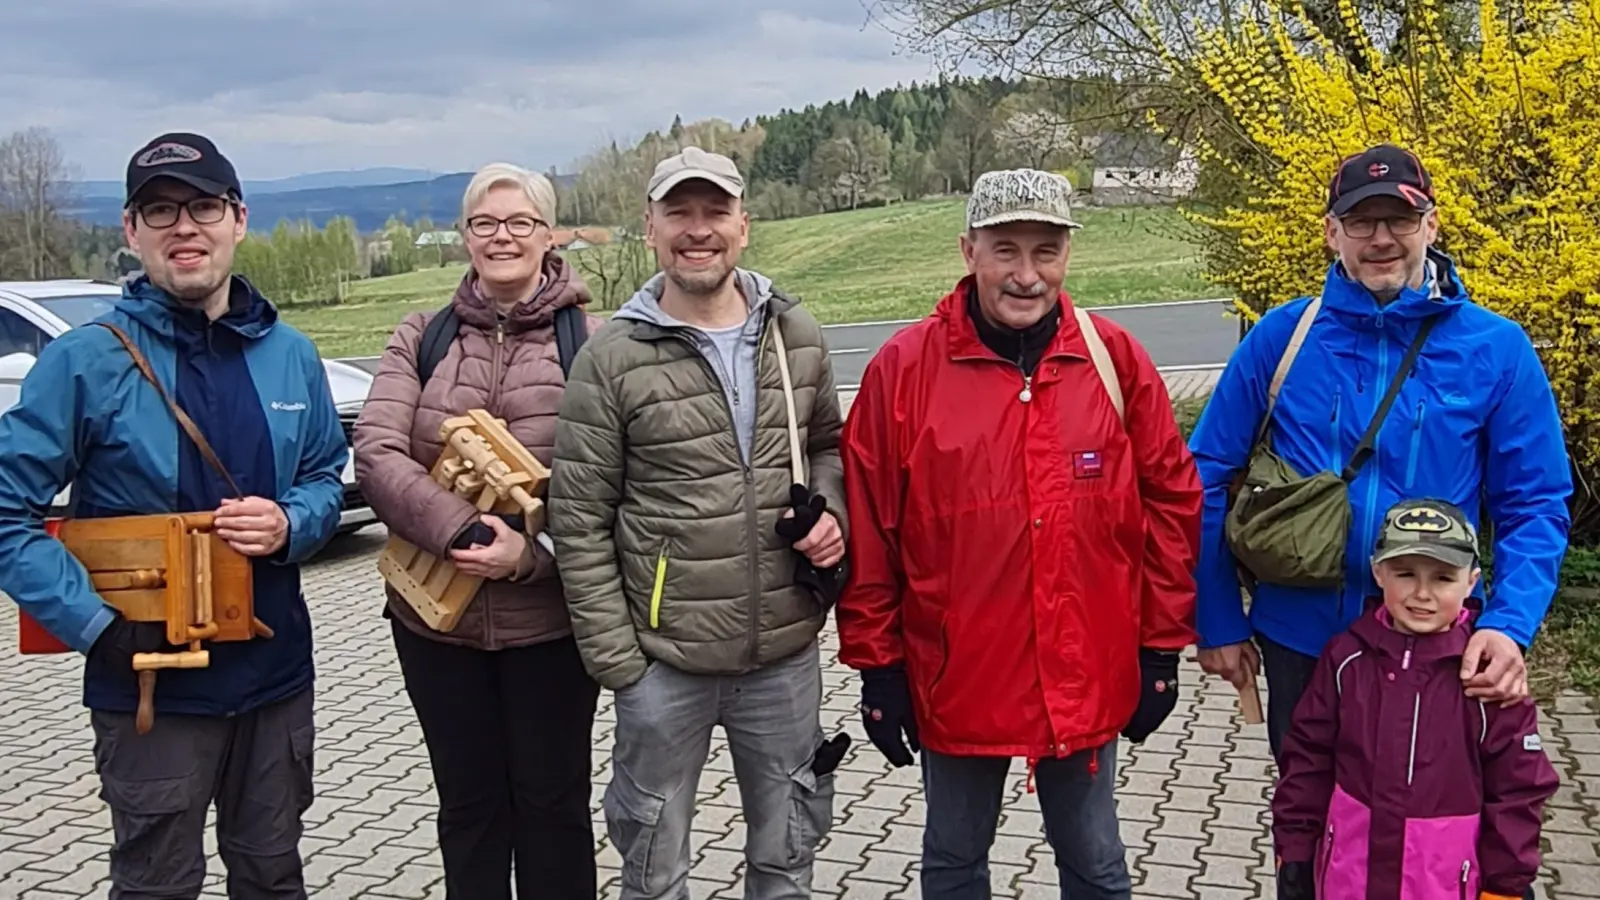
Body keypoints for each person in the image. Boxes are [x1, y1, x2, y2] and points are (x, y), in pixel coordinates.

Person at [835, 167, 1204, 900]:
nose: (1027, 275)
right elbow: (872, 532)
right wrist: (878, 667)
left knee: (1096, 864)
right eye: (1007, 250)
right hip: (957, 681)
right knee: (953, 860)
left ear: (1068, 253)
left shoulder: (1114, 360)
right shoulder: (903, 373)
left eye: (1046, 251)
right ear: (968, 249)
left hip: (1085, 675)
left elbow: (1171, 503)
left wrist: (1161, 647)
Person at [0, 132, 347, 896]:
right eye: (159, 210)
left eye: (202, 206)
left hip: (275, 676)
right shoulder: (87, 360)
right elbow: (5, 512)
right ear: (131, 231)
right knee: (157, 883)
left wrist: (293, 523)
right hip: (151, 690)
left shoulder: (290, 353)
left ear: (238, 218)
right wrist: (94, 625)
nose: (183, 227)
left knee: (273, 875)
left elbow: (326, 474)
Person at [1188, 143, 1573, 760]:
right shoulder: (1284, 338)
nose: (1381, 239)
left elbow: (1535, 504)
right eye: (1362, 222)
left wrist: (1508, 624)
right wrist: (1219, 619)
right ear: (1332, 233)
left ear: (1432, 224)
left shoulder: (1497, 349)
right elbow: (1203, 478)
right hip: (1300, 643)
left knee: (1423, 839)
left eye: (1400, 219)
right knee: (1305, 830)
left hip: (1435, 645)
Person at [547, 146, 850, 900]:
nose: (697, 229)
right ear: (649, 227)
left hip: (783, 657)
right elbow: (578, 519)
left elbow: (826, 447)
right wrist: (622, 664)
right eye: (678, 212)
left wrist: (832, 516)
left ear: (744, 224)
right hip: (663, 665)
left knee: (786, 863)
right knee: (655, 872)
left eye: (714, 211)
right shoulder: (611, 357)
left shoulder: (796, 333)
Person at [352, 162, 604, 900]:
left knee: (554, 810)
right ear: (465, 236)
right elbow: (376, 451)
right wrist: (460, 530)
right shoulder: (420, 337)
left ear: (549, 235)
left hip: (551, 629)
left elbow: (617, 481)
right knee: (469, 812)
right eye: (485, 223)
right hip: (437, 630)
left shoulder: (594, 342)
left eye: (520, 221)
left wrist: (533, 555)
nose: (503, 237)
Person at [1272, 498, 1558, 900]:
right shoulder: (1345, 659)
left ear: (1471, 581)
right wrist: (1296, 850)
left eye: (1443, 578)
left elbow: (1519, 789)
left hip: (1441, 882)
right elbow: (1307, 758)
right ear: (1378, 572)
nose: (1422, 593)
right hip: (1348, 878)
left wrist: (1506, 884)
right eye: (1405, 573)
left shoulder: (1486, 676)